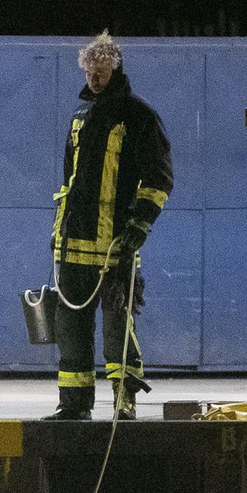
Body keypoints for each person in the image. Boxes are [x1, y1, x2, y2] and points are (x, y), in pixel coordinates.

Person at [45, 31, 173, 420]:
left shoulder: (139, 116)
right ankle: (74, 404)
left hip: (116, 246)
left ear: (116, 68)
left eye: (101, 71)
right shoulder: (80, 118)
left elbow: (159, 177)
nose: (94, 79)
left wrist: (139, 226)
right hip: (74, 245)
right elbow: (68, 183)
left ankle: (124, 401)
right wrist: (58, 234)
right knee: (71, 327)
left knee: (118, 325)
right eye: (89, 71)